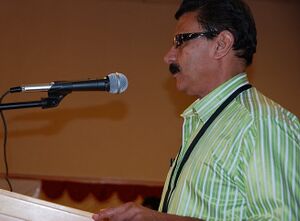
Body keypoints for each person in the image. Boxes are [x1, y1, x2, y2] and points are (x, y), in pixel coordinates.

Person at [92, 0, 299, 220]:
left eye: (180, 41)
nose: (168, 56)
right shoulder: (208, 120)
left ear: (221, 44)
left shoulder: (261, 123)